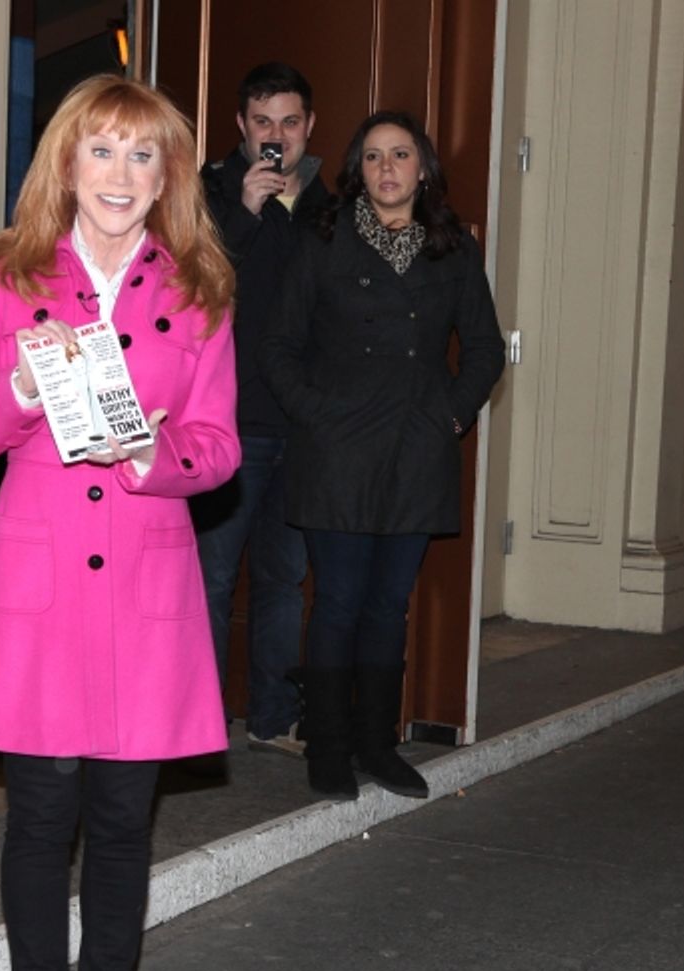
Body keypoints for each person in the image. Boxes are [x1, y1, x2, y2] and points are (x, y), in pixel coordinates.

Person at [0, 75, 238, 971]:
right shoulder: (10, 273)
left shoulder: (200, 286)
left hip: (148, 586)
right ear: (67, 161)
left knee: (120, 825)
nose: (120, 174)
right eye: (102, 151)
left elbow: (220, 445)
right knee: (39, 823)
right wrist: (21, 386)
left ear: (169, 176)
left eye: (143, 156)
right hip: (40, 584)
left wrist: (155, 455)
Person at [260, 110, 505, 802]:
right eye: (373, 157)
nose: (388, 169)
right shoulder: (322, 242)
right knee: (337, 602)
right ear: (356, 171)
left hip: (415, 451)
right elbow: (277, 348)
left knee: (388, 606)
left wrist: (453, 414)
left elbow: (484, 349)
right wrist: (317, 415)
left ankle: (378, 744)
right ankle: (328, 749)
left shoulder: (452, 249)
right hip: (337, 451)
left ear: (422, 167)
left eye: (400, 155)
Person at [193, 62, 330, 756]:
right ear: (242, 128)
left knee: (284, 580)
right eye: (263, 123)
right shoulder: (207, 195)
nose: (276, 137)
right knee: (212, 580)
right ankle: (201, 726)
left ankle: (274, 718)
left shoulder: (330, 206)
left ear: (309, 129)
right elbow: (191, 286)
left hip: (301, 426)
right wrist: (242, 213)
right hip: (226, 423)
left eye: (290, 123)